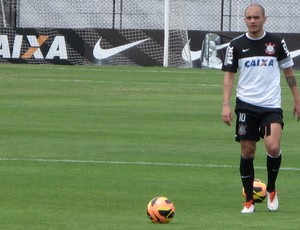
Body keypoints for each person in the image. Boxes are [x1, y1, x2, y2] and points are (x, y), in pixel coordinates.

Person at [221, 3, 300, 214]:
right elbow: (229, 76)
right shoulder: (236, 45)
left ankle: (271, 189)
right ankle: (248, 200)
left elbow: (289, 72)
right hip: (246, 105)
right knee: (247, 152)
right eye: (249, 17)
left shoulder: (276, 42)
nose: (253, 21)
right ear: (245, 20)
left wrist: (297, 100)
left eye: (257, 17)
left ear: (265, 19)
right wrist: (226, 105)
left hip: (271, 105)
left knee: (273, 148)